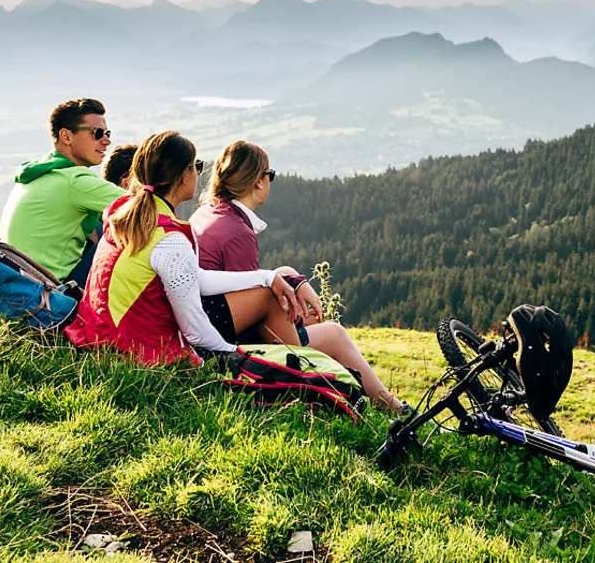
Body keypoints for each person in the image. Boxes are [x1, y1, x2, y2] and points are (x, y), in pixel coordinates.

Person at [67, 130, 406, 413]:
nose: (198, 173)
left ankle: (323, 368)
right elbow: (197, 331)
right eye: (196, 166)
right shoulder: (168, 237)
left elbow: (192, 278)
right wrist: (234, 355)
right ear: (184, 175)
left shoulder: (127, 211)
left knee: (270, 292)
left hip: (106, 339)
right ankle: (323, 375)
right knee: (282, 326)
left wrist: (265, 275)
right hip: (143, 355)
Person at [0, 98, 126, 287]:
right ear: (66, 136)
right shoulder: (75, 181)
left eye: (107, 133)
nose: (106, 141)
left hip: (15, 284)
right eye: (97, 133)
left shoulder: (37, 173)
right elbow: (148, 208)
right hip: (50, 292)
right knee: (121, 234)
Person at [191, 140, 324, 321]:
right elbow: (251, 301)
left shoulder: (207, 212)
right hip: (219, 325)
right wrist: (300, 321)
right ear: (259, 182)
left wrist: (296, 280)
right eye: (270, 174)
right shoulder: (237, 232)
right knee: (334, 333)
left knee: (287, 270)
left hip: (200, 313)